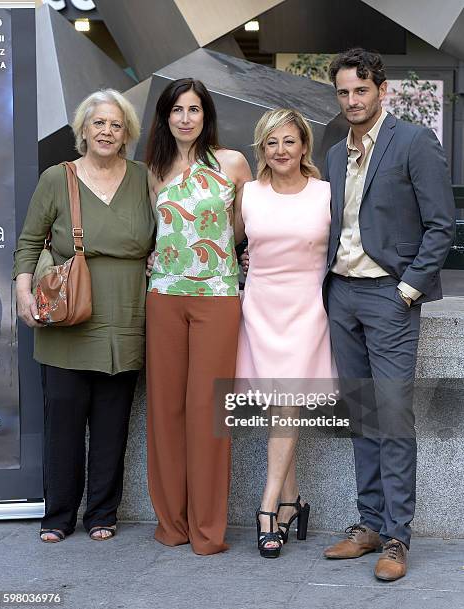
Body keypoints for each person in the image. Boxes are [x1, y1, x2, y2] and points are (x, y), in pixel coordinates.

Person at [322, 49, 455, 580]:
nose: (352, 100)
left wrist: (406, 290)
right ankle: (369, 523)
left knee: (394, 417)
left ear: (381, 91)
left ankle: (397, 537)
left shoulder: (414, 142)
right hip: (342, 295)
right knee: (362, 415)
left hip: (388, 296)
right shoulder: (334, 154)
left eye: (361, 90)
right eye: (344, 92)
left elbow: (441, 226)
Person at [13, 89, 154, 542]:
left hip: (126, 317)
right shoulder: (59, 177)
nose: (107, 131)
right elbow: (29, 242)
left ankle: (101, 513)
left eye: (116, 124)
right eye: (99, 123)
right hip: (68, 319)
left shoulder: (143, 177)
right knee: (64, 425)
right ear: (84, 130)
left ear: (127, 132)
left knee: (113, 426)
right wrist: (22, 292)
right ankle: (57, 516)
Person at [145, 78, 252, 555]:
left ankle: (208, 531)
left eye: (194, 109)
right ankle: (172, 525)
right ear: (166, 117)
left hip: (217, 297)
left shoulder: (232, 164)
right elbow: (155, 232)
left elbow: (244, 231)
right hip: (164, 297)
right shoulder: (154, 169)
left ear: (206, 115)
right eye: (177, 110)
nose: (185, 118)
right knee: (165, 411)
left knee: (209, 412)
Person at [234, 109, 336, 558]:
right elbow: (231, 243)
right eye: (271, 142)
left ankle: (267, 507)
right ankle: (293, 503)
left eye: (289, 141)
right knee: (280, 406)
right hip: (259, 308)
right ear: (262, 148)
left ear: (304, 146)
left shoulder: (326, 194)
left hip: (306, 309)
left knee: (286, 402)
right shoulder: (249, 194)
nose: (280, 151)